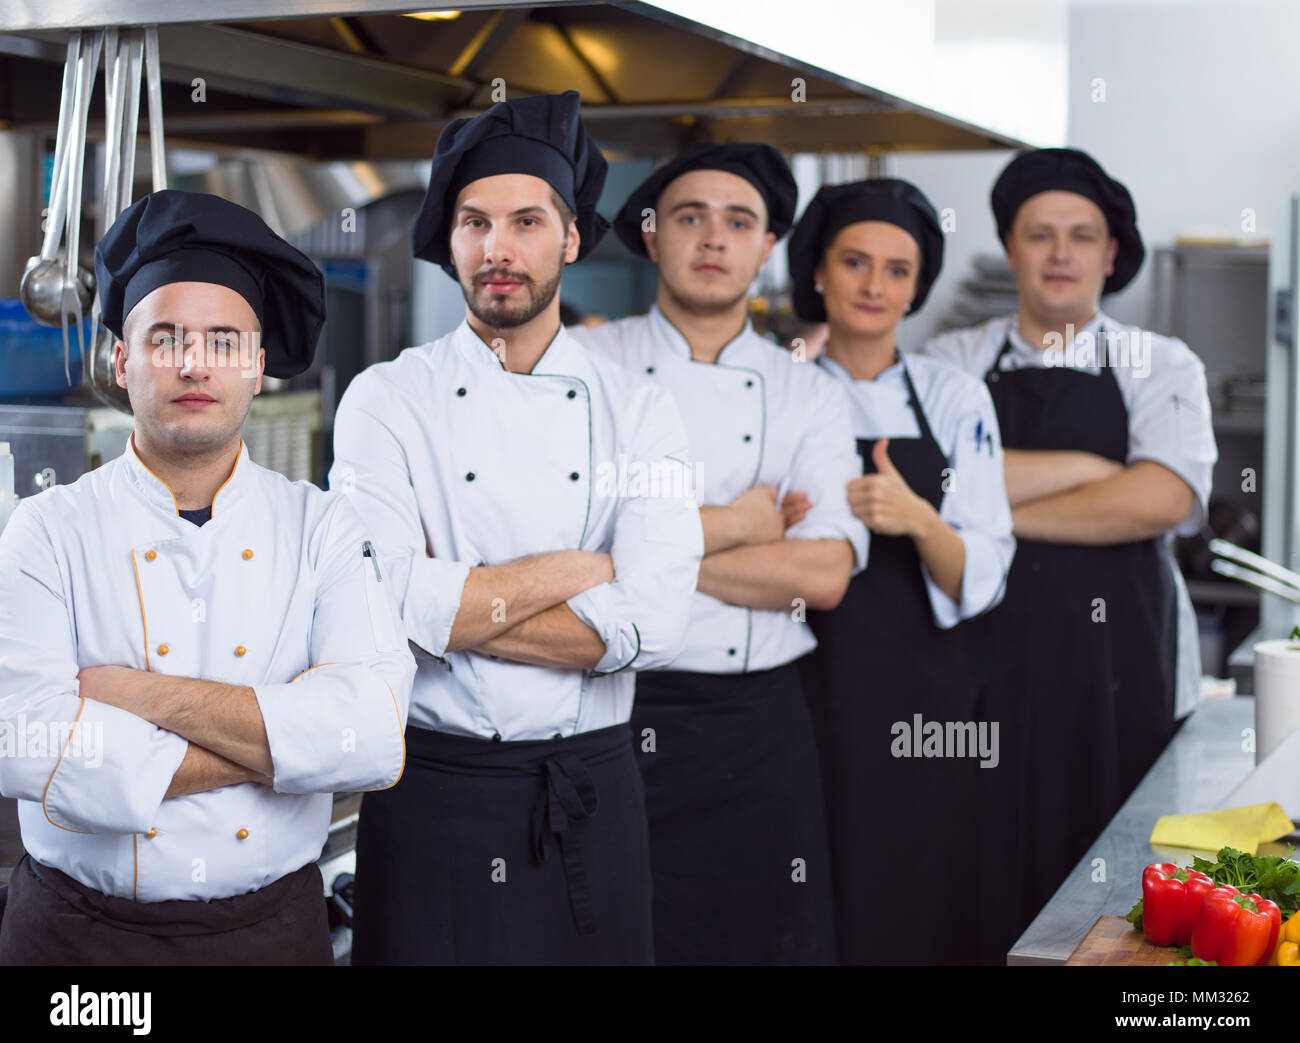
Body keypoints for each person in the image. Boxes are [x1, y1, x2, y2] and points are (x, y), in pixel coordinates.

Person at [330, 91, 704, 965]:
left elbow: (654, 621)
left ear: (572, 238)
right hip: (432, 792)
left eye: (527, 221)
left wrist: (453, 604)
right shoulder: (386, 398)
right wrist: (587, 566)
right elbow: (379, 607)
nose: (499, 249)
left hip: (589, 792)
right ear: (450, 241)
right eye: (474, 222)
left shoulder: (641, 409)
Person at [0, 189, 414, 966]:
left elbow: (370, 736)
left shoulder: (322, 527)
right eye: (165, 338)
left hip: (268, 936)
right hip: (79, 941)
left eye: (224, 341)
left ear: (258, 367)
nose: (194, 363)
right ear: (121, 362)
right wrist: (283, 745)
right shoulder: (46, 529)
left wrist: (139, 697)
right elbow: (21, 742)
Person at [570, 143, 868, 964]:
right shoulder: (589, 366)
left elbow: (824, 575)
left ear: (767, 248)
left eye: (739, 222)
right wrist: (744, 523)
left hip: (759, 728)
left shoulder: (809, 390)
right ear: (652, 233)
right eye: (690, 217)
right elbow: (560, 541)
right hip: (615, 712)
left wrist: (642, 551)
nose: (713, 238)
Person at [919, 148, 1217, 959]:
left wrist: (991, 505)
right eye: (1039, 234)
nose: (1059, 253)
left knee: (1119, 882)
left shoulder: (1161, 363)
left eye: (1080, 236)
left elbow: (1161, 498)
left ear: (1110, 254)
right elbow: (925, 486)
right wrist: (1094, 474)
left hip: (1120, 669)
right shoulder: (950, 361)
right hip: (977, 668)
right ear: (1010, 246)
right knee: (975, 862)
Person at [786, 177, 1015, 965]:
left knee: (914, 894)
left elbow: (983, 570)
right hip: (792, 695)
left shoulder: (954, 397)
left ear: (916, 287)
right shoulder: (780, 387)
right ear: (818, 270)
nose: (874, 285)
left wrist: (916, 516)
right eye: (855, 262)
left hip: (921, 702)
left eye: (896, 269)